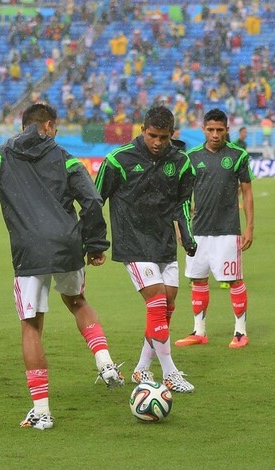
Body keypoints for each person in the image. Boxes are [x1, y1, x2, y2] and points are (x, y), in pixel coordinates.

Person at [0, 103, 124, 431]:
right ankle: (105, 362)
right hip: (67, 243)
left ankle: (42, 411)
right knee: (77, 302)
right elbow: (92, 200)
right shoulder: (65, 157)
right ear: (48, 125)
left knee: (32, 326)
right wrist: (95, 244)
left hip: (28, 250)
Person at [94, 106, 196, 393]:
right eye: (153, 135)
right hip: (133, 242)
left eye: (164, 137)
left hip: (163, 242)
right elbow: (94, 200)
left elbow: (183, 203)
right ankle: (169, 373)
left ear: (172, 134)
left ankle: (141, 369)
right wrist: (94, 241)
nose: (158, 143)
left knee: (167, 308)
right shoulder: (118, 160)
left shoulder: (181, 162)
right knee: (157, 301)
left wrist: (186, 235)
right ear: (142, 130)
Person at [175, 109, 254, 349]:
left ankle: (240, 332)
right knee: (197, 279)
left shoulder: (238, 155)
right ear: (203, 130)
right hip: (198, 230)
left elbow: (248, 193)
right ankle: (199, 331)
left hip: (228, 230)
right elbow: (182, 196)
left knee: (234, 280)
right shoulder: (191, 157)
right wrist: (180, 227)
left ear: (227, 130)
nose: (215, 134)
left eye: (220, 130)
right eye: (211, 130)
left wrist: (249, 227)